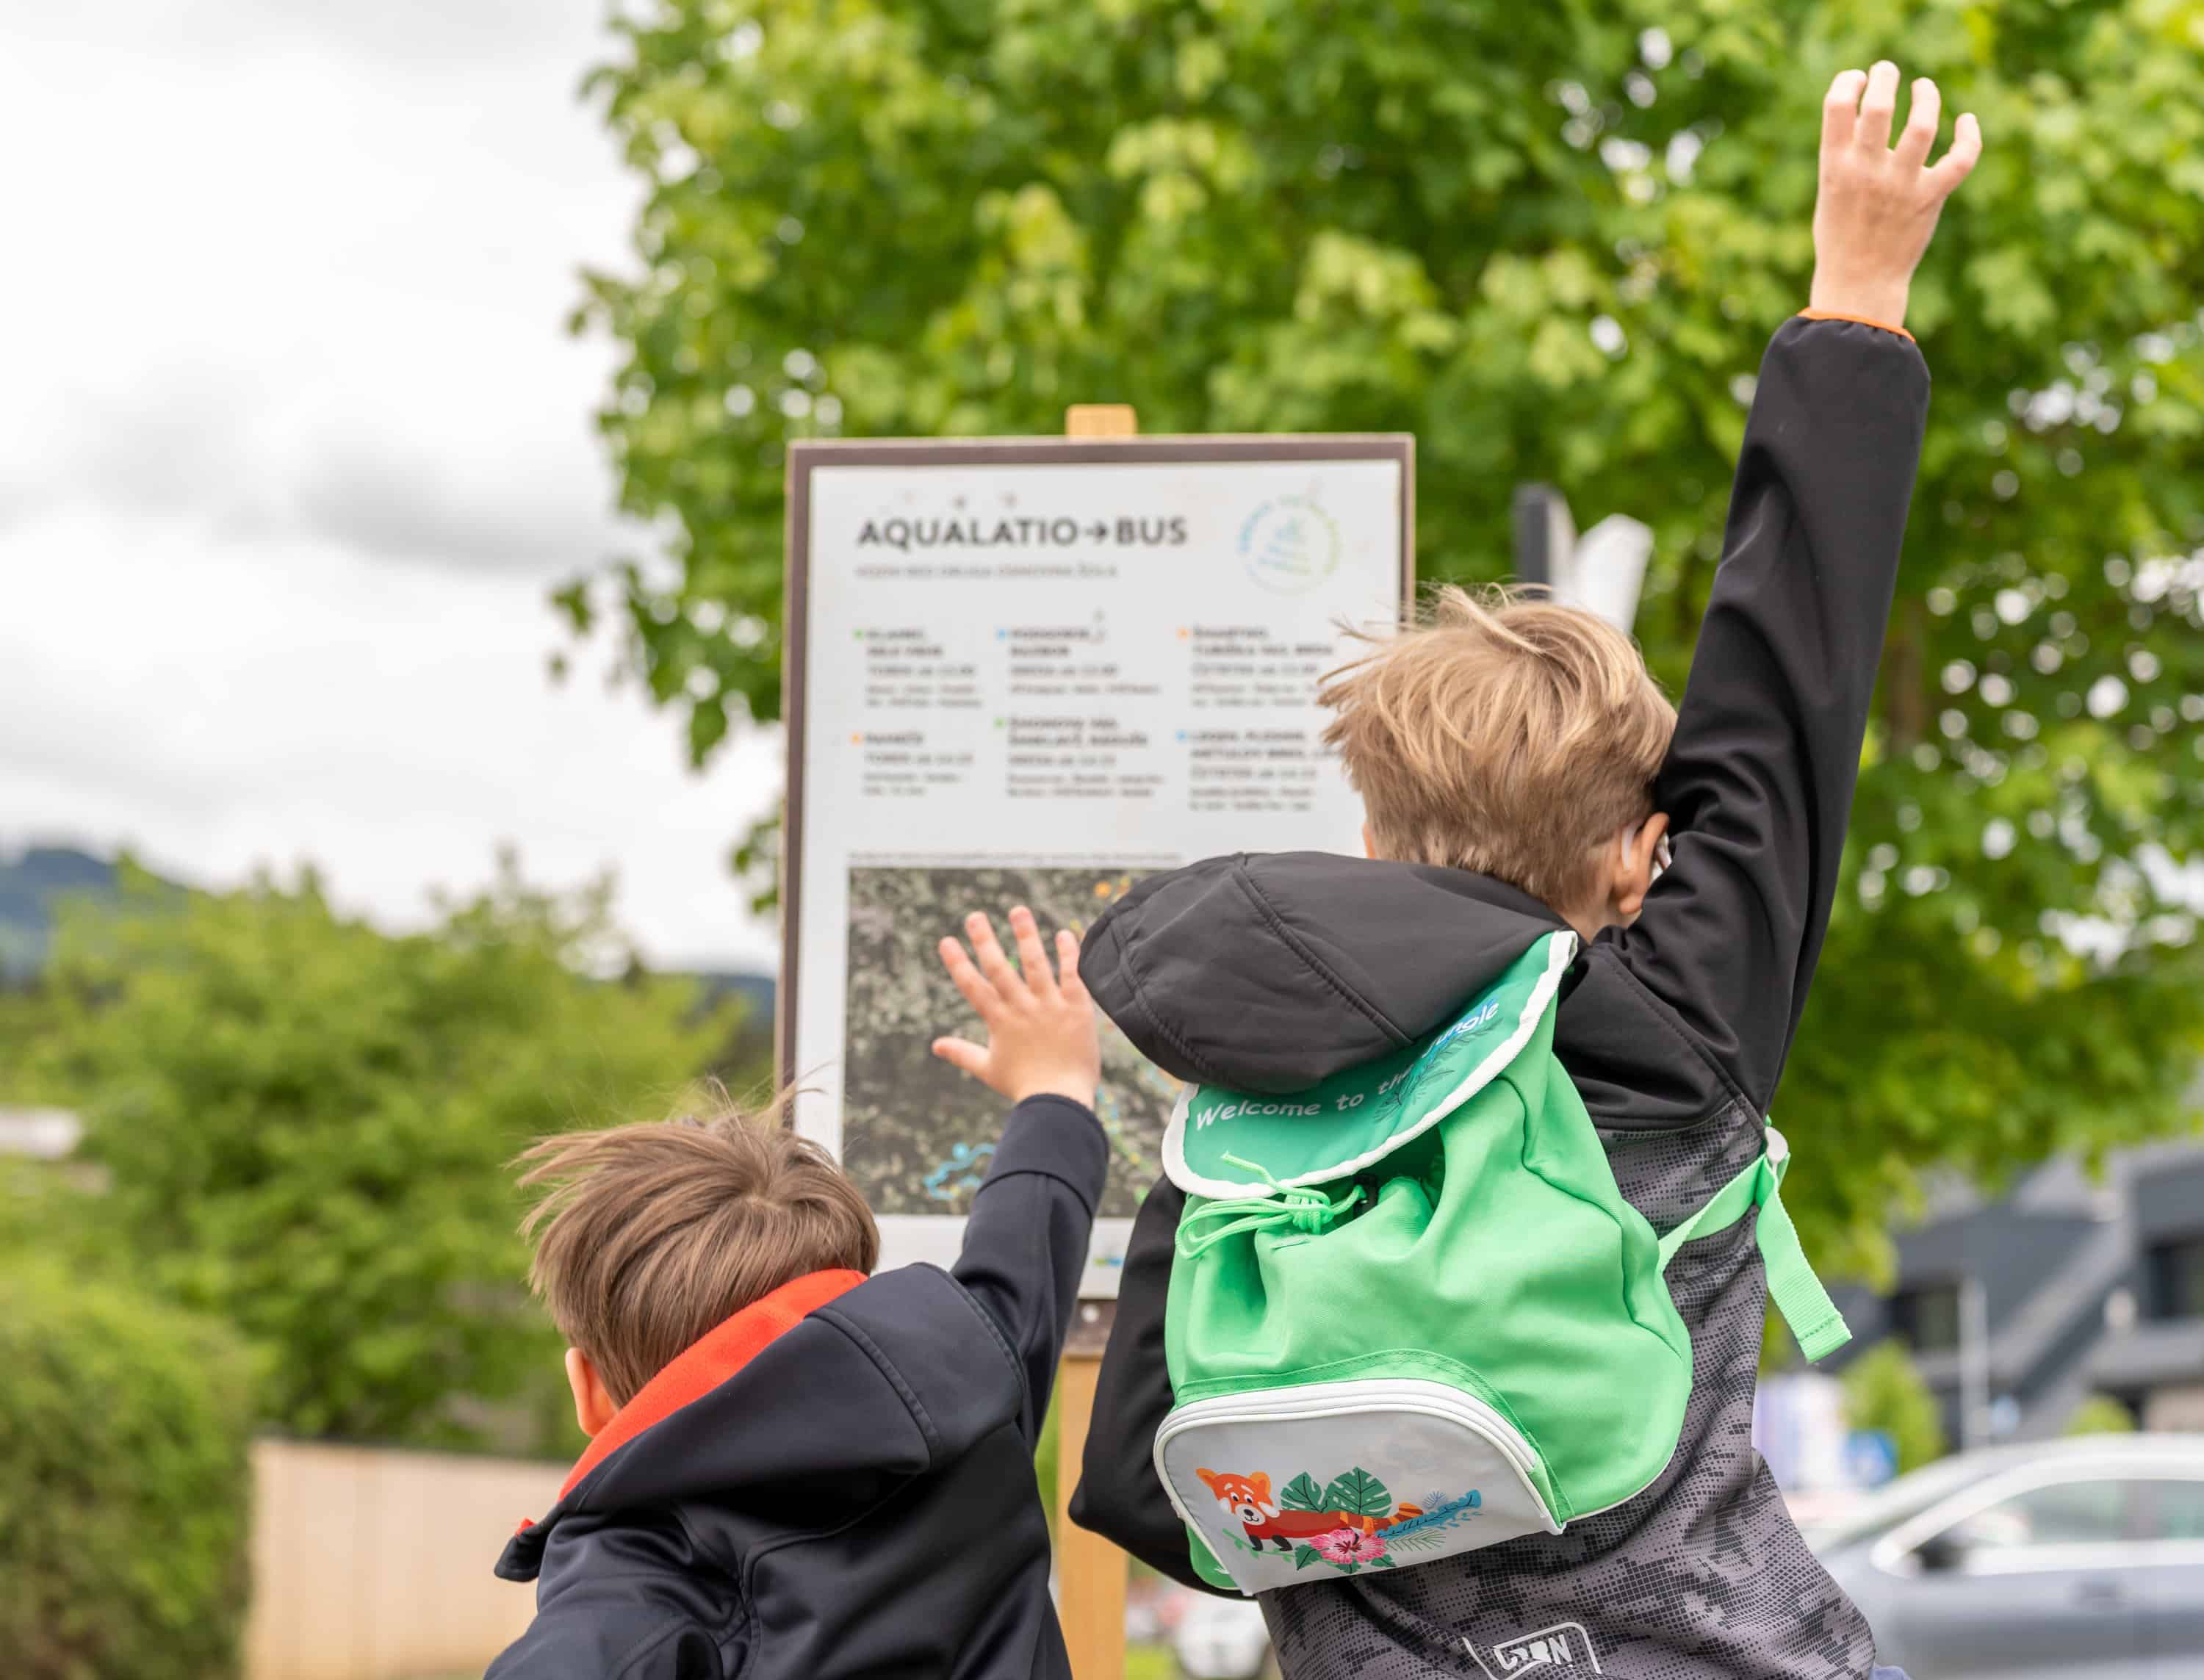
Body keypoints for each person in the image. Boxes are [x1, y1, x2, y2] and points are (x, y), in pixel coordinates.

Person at [1067, 62, 1977, 1680]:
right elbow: (1783, 699)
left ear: (1370, 833)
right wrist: (1857, 295)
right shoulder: (1664, 1025)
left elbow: (1159, 1480)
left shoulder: (1248, 1089)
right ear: (1643, 862)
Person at [486, 906, 1106, 1680]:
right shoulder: (966, 1400)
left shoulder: (628, 1597)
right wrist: (1056, 1088)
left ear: (592, 1392)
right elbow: (1024, 1250)